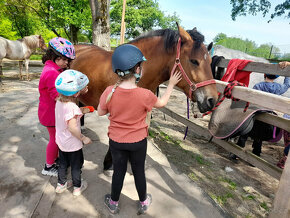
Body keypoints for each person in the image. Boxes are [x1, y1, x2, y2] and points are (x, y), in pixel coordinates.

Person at [97, 44, 182, 214]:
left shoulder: (109, 91)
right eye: (140, 66)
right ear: (137, 69)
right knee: (139, 172)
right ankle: (143, 202)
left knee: (118, 172)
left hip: (117, 141)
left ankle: (113, 203)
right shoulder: (145, 95)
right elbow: (162, 103)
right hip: (138, 142)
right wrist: (171, 84)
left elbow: (100, 112)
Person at [38, 37, 75, 177]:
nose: (66, 63)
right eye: (65, 60)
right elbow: (57, 96)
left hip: (50, 111)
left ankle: (56, 160)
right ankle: (48, 166)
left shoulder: (52, 68)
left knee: (57, 137)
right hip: (50, 113)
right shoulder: (51, 72)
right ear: (55, 57)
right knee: (55, 139)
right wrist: (76, 93)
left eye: (68, 61)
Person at [54, 69, 92, 196]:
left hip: (61, 141)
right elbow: (72, 128)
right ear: (76, 93)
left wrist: (81, 111)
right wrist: (83, 138)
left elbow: (66, 116)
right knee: (76, 166)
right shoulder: (72, 107)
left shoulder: (59, 101)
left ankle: (61, 185)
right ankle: (77, 187)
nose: (86, 88)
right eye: (83, 87)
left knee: (63, 164)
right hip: (73, 144)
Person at [252, 62, 290, 168]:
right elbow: (287, 85)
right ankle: (256, 153)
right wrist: (287, 74)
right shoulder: (278, 88)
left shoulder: (257, 86)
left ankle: (246, 151)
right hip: (269, 114)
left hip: (257, 112)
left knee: (253, 130)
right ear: (276, 77)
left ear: (264, 74)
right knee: (261, 133)